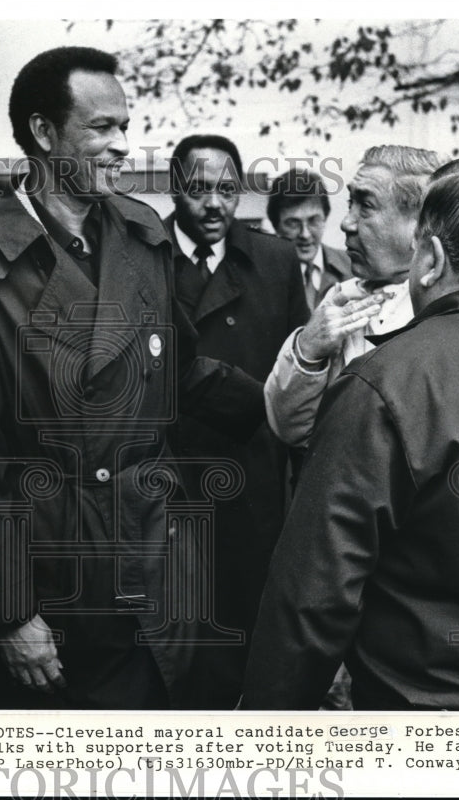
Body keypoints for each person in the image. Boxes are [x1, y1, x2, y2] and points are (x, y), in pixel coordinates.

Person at [0, 46, 268, 710]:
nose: (122, 146)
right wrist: (11, 609)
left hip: (157, 562)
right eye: (102, 128)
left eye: (125, 126)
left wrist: (292, 394)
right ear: (44, 134)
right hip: (57, 588)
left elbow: (185, 373)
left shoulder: (142, 233)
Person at [242, 156, 459, 711]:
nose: (345, 224)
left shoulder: (390, 379)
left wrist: (267, 728)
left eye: (365, 205)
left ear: (430, 259)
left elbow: (315, 589)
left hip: (430, 720)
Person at [164, 134, 309, 708]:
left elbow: (300, 374)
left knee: (246, 642)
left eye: (227, 189)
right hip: (170, 483)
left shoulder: (273, 259)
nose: (214, 204)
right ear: (176, 188)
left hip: (252, 483)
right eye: (199, 189)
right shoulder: (143, 255)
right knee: (177, 644)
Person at [264, 145, 446, 449]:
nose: (346, 223)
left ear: (419, 227)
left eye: (366, 205)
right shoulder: (342, 299)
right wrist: (307, 352)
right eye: (351, 202)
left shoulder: (452, 313)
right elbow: (289, 428)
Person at [266, 169, 351, 310]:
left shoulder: (353, 266)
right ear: (276, 226)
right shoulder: (260, 276)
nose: (305, 235)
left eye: (313, 220)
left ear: (325, 217)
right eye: (293, 223)